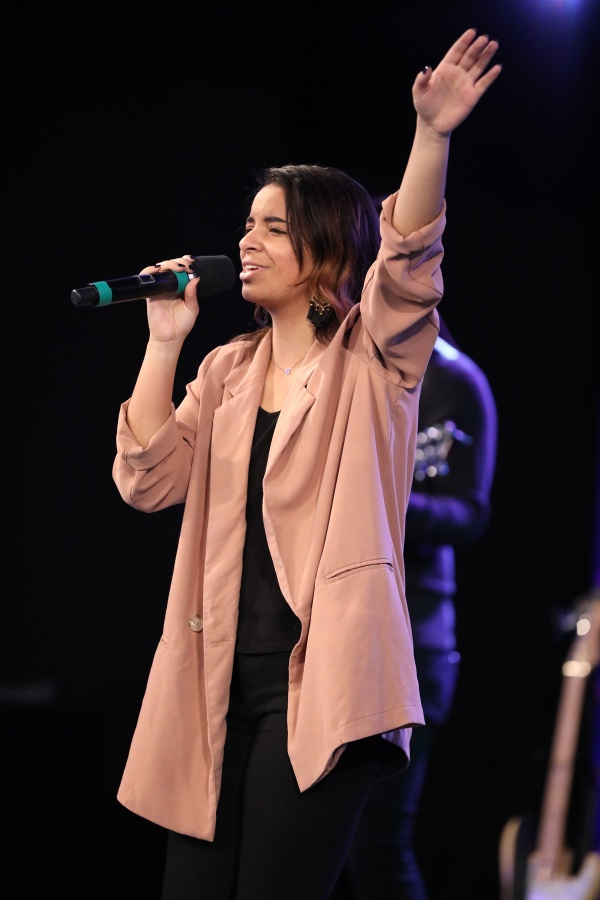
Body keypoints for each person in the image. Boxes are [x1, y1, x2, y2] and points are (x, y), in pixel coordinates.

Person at [109, 29, 501, 900]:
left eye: (273, 228)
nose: (246, 242)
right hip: (214, 681)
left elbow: (409, 259)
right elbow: (146, 481)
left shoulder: (375, 358)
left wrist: (431, 135)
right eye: (247, 225)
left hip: (322, 684)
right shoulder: (226, 370)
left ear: (325, 249)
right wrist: (164, 343)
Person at [330, 314, 498, 899]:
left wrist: (381, 496)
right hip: (328, 633)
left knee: (374, 846)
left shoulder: (452, 378)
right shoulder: (336, 369)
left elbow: (467, 511)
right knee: (310, 845)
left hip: (409, 638)